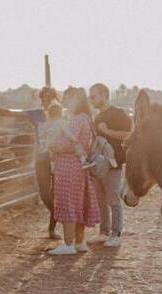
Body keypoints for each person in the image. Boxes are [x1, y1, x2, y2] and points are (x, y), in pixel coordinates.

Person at [0, 87, 61, 239]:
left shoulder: (61, 113)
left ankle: (52, 229)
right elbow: (11, 113)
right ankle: (57, 214)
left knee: (59, 193)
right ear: (42, 99)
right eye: (45, 98)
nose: (48, 100)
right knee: (45, 194)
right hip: (41, 158)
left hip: (60, 158)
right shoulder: (36, 114)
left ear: (56, 98)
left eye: (51, 97)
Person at [47, 87, 100, 255]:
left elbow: (68, 143)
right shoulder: (87, 118)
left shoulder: (76, 120)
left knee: (67, 202)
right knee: (79, 202)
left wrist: (52, 146)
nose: (65, 102)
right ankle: (79, 241)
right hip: (79, 167)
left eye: (68, 99)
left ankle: (68, 244)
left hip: (68, 166)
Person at [89, 83, 132, 248]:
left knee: (113, 198)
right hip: (98, 164)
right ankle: (103, 232)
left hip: (114, 164)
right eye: (90, 97)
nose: (91, 100)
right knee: (100, 199)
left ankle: (116, 234)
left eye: (94, 96)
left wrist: (107, 132)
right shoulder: (97, 117)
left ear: (104, 95)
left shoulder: (118, 113)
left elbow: (128, 135)